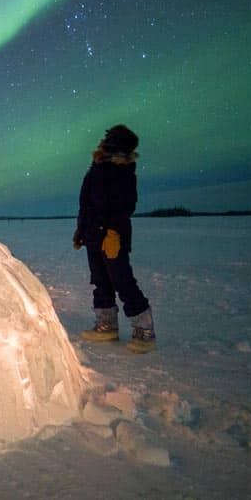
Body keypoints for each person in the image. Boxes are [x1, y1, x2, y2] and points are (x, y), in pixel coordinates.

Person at [72, 125, 155, 353]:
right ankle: (106, 325)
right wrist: (81, 231)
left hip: (111, 236)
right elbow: (88, 204)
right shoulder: (98, 167)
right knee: (100, 280)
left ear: (115, 144)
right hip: (93, 234)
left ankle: (144, 331)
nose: (101, 141)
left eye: (107, 138)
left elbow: (125, 205)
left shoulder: (121, 171)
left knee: (122, 280)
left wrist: (114, 232)